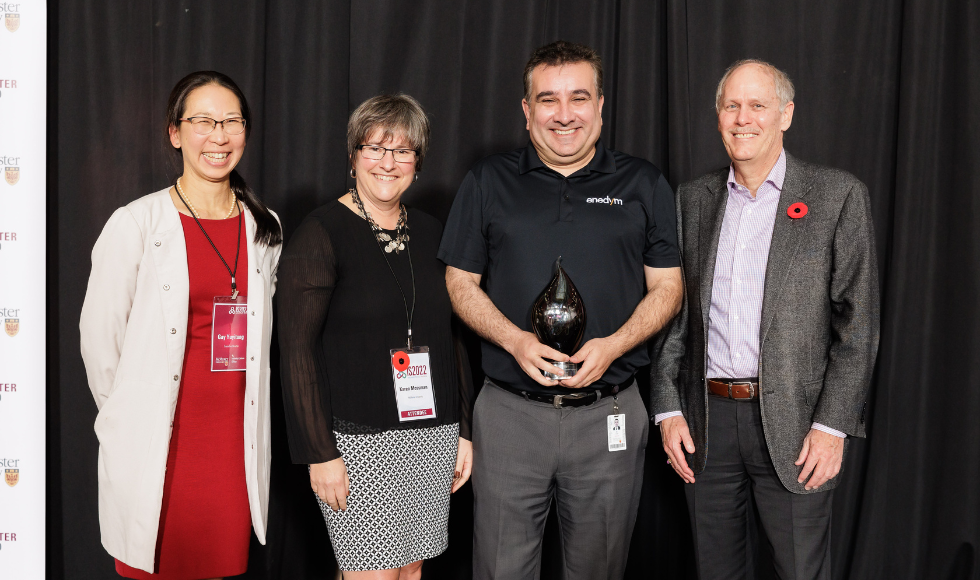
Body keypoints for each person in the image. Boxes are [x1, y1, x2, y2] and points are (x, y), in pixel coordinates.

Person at [439, 40, 683, 580]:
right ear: (526, 111)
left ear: (601, 105)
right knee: (501, 568)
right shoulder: (487, 182)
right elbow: (459, 282)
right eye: (548, 99)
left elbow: (669, 288)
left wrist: (614, 345)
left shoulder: (643, 184)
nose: (564, 114)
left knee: (599, 569)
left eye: (579, 97)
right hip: (509, 415)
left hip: (610, 414)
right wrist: (514, 340)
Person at [653, 60, 880, 579]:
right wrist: (668, 410)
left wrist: (832, 426)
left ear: (786, 114)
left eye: (758, 105)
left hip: (798, 428)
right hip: (706, 424)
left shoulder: (836, 196)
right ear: (717, 117)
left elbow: (858, 324)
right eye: (731, 105)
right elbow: (673, 315)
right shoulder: (692, 200)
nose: (743, 118)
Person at [80, 71, 283, 579]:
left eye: (231, 121)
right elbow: (99, 344)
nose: (218, 135)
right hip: (158, 447)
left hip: (232, 449)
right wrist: (130, 416)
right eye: (202, 121)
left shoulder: (265, 228)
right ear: (175, 133)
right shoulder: (135, 224)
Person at [277, 93, 474, 580]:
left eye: (403, 151)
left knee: (410, 574)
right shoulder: (320, 233)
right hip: (357, 444)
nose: (388, 163)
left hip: (431, 434)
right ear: (352, 157)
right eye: (374, 148)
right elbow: (296, 351)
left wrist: (464, 431)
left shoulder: (432, 233)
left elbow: (451, 339)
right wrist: (318, 453)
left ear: (418, 162)